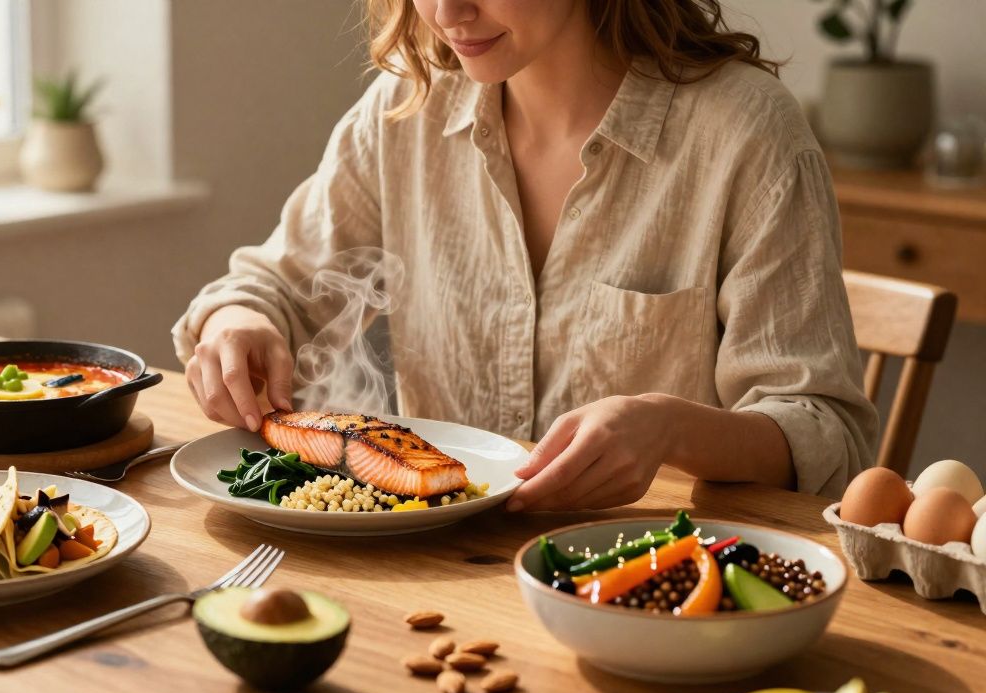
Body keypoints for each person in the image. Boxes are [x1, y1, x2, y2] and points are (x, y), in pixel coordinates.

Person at [171, 0, 878, 510]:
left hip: (649, 592)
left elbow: (824, 431)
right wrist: (240, 321)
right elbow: (273, 284)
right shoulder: (406, 111)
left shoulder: (746, 134)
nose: (447, 12)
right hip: (438, 578)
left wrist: (669, 427)